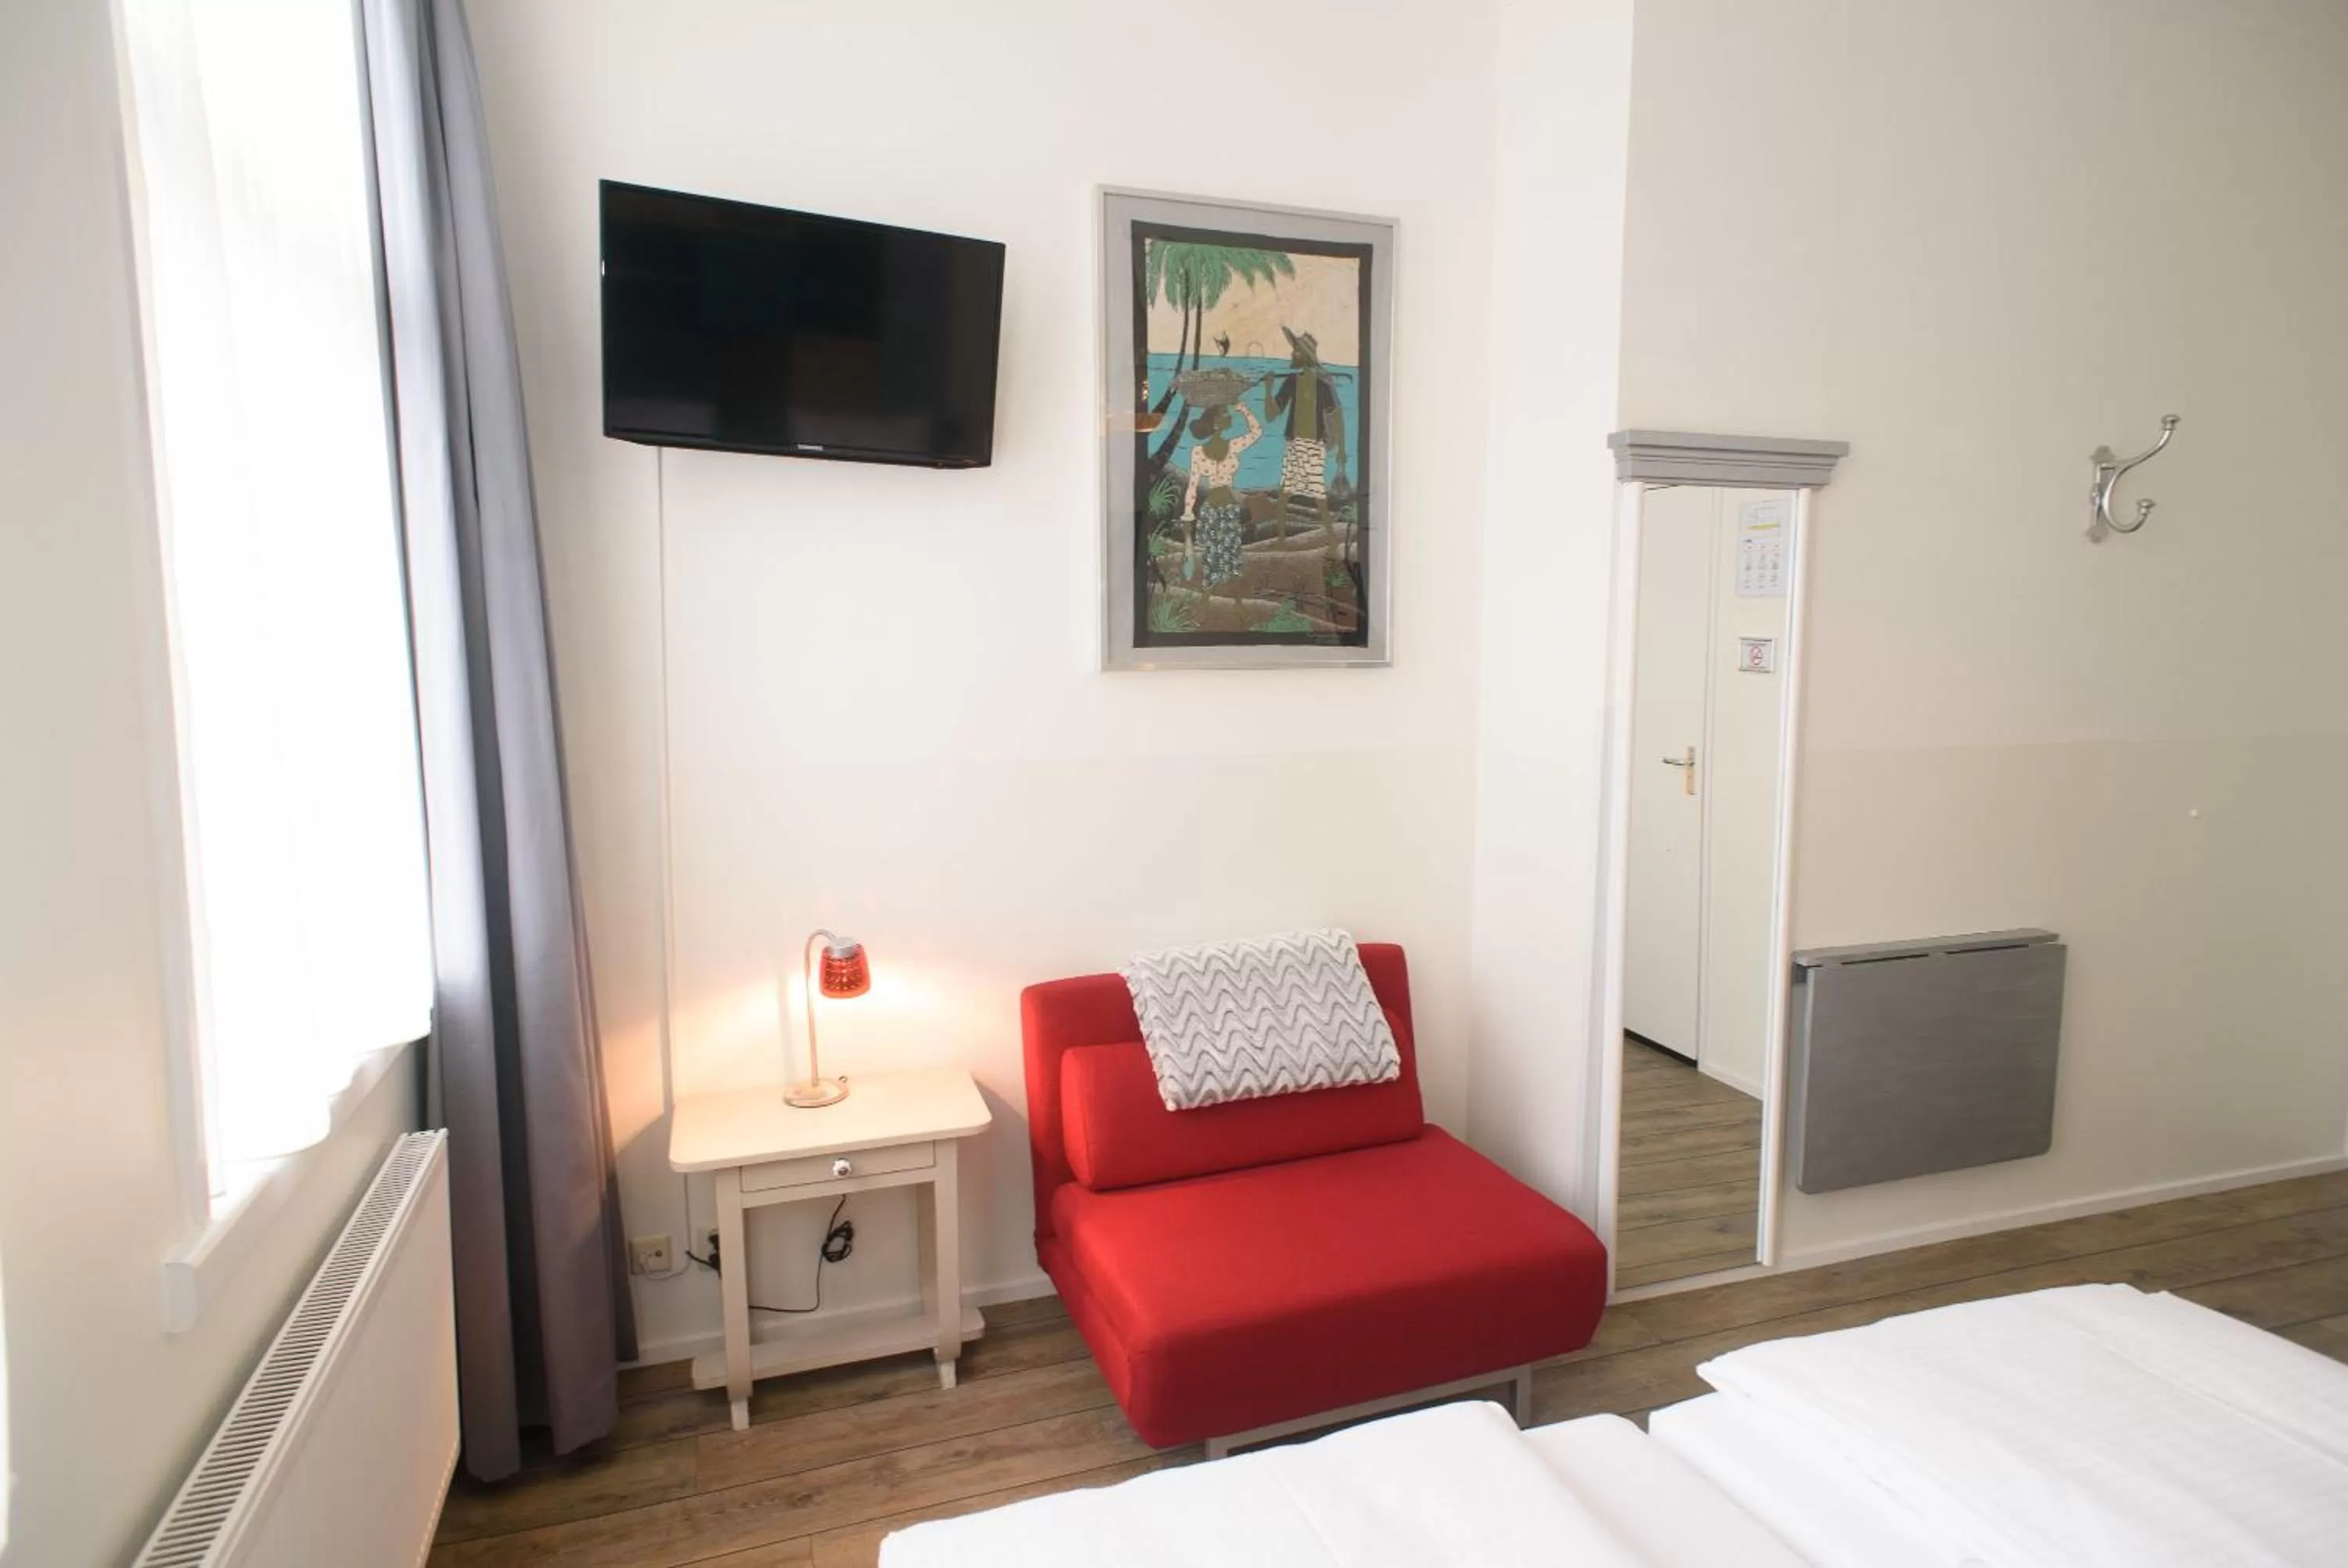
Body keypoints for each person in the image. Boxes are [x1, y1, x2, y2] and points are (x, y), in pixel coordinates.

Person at [1262, 325, 1347, 538]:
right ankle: (1281, 541)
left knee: (1318, 496)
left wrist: (1342, 450)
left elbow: (1336, 417)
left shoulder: (1322, 384)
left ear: (1306, 356)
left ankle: (1331, 540)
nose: (1292, 354)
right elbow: (1272, 414)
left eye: (1297, 351)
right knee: (1284, 494)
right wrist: (1268, 389)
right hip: (1294, 445)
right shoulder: (1292, 381)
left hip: (1314, 446)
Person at [1179, 400, 1262, 606]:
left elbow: (1256, 432)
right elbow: (1192, 485)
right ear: (1216, 423)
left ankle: (1237, 602)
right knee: (1212, 557)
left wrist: (1244, 409)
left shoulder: (1232, 445)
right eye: (1225, 414)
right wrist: (1188, 514)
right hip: (1212, 511)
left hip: (1228, 509)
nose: (1229, 417)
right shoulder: (1198, 452)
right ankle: (1210, 601)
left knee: (1231, 555)